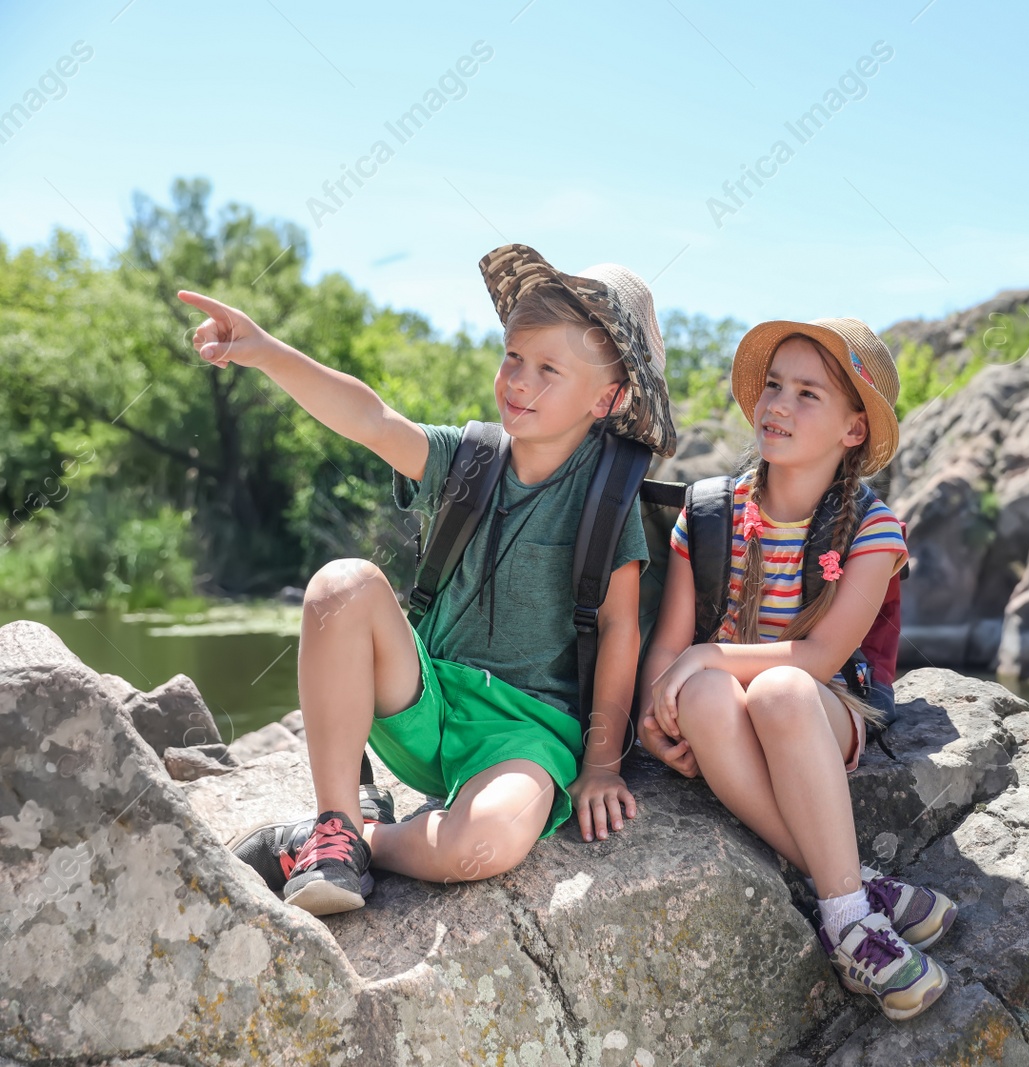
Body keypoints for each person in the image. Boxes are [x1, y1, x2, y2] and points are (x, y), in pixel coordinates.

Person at [179, 243, 675, 916]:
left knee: (485, 843)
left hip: (526, 735)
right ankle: (334, 820)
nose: (518, 381)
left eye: (548, 368)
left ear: (607, 397)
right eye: (513, 357)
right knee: (341, 584)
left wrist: (603, 764)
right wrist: (265, 350)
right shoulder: (468, 459)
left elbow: (620, 629)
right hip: (427, 699)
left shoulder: (605, 498)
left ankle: (361, 836)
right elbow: (370, 418)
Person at [638, 318, 954, 1021]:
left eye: (808, 393)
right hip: (727, 708)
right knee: (709, 695)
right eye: (774, 385)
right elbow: (669, 646)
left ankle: (844, 920)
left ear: (852, 431)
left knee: (779, 689)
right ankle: (860, 888)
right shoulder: (711, 513)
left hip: (824, 706)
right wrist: (651, 710)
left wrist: (707, 653)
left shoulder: (873, 531)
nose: (778, 404)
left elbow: (818, 659)